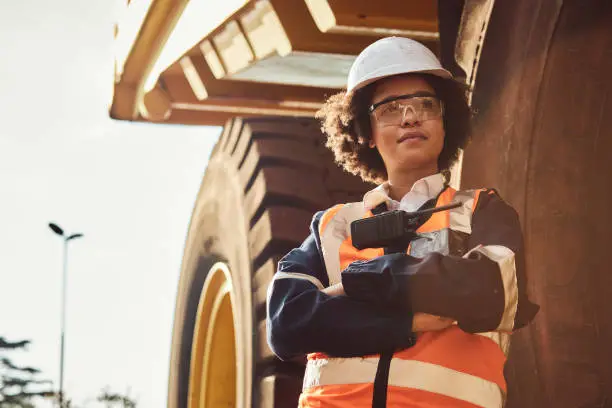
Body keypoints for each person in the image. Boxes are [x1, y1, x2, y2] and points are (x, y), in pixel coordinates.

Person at [266, 36, 539, 408]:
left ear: (446, 122)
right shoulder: (333, 225)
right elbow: (287, 323)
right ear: (366, 132)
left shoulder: (481, 210)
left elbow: (492, 291)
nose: (410, 117)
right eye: (391, 109)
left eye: (425, 105)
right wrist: (406, 321)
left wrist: (355, 284)